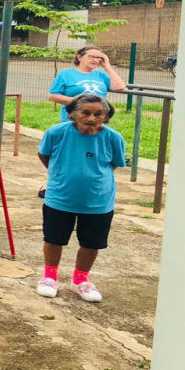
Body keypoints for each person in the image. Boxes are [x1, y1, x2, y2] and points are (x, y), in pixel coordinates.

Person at [36, 94, 125, 303]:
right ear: (72, 115)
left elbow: (115, 163)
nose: (92, 118)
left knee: (91, 242)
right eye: (86, 113)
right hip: (60, 198)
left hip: (98, 201)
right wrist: (59, 175)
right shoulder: (56, 133)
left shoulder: (113, 138)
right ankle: (49, 277)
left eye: (98, 114)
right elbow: (44, 155)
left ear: (105, 117)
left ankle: (80, 281)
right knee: (53, 238)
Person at [48, 47, 126, 122]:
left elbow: (120, 87)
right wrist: (82, 102)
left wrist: (107, 66)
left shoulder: (101, 74)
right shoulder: (65, 74)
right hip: (73, 119)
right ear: (80, 57)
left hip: (97, 120)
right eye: (91, 57)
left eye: (98, 58)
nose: (95, 60)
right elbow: (52, 96)